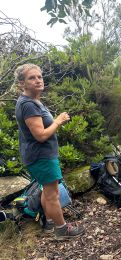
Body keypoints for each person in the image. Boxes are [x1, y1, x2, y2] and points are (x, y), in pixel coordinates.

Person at [14, 64, 85, 239]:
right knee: (53, 194)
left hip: (41, 156)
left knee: (48, 191)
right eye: (32, 78)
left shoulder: (34, 101)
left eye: (40, 77)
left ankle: (50, 223)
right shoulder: (28, 104)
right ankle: (62, 230)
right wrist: (58, 121)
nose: (38, 80)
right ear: (22, 83)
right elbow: (40, 135)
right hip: (41, 157)